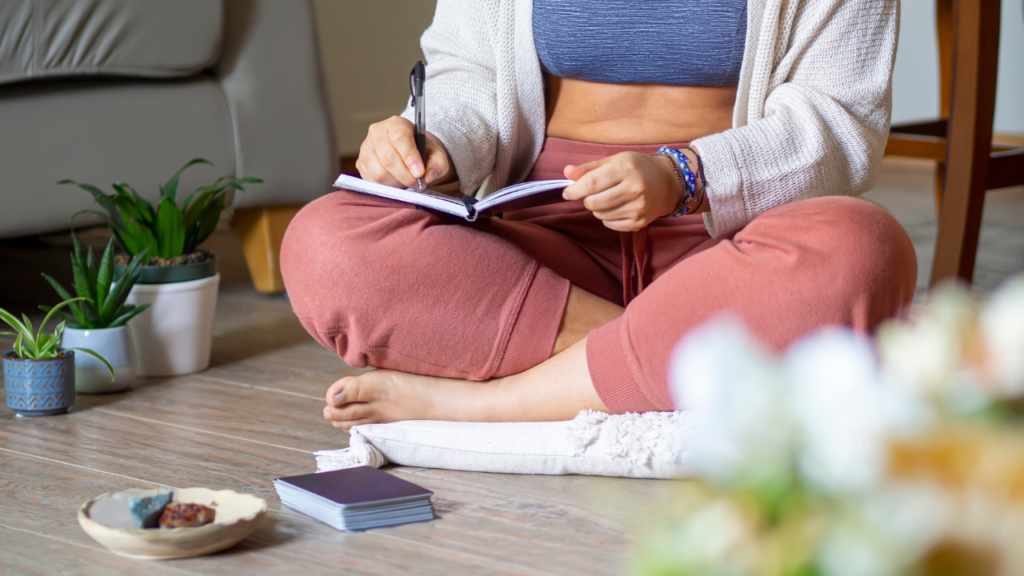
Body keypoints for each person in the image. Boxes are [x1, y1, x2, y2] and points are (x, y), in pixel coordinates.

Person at [280, 0, 916, 431]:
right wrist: (435, 143)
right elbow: (467, 75)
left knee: (864, 247)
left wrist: (687, 175)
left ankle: (493, 405)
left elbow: (840, 122)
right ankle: (671, 361)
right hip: (544, 238)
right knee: (323, 245)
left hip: (730, 234)